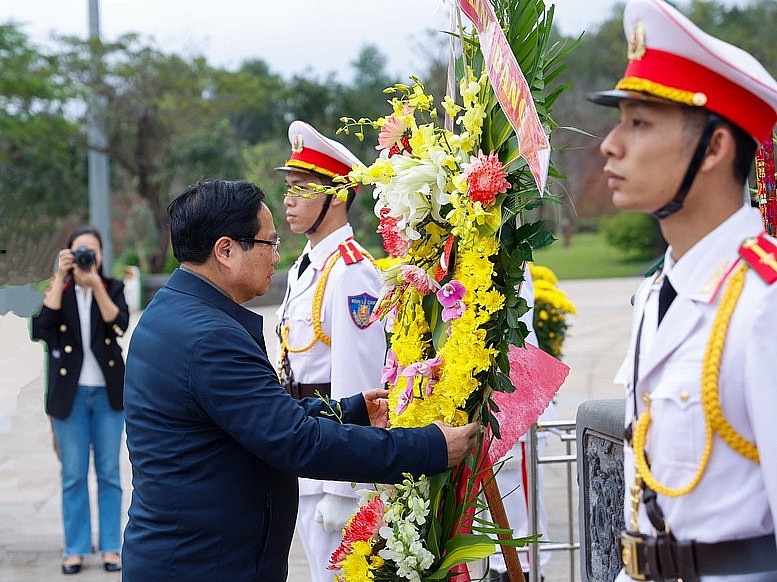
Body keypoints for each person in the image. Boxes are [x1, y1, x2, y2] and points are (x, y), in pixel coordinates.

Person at [121, 178, 478, 581]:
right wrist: (427, 447)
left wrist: (352, 410)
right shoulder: (210, 337)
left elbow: (257, 415)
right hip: (204, 564)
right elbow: (296, 441)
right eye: (268, 244)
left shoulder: (173, 311)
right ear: (225, 250)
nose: (277, 256)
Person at [589, 0, 777, 579]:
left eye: (639, 123)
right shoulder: (659, 292)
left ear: (715, 149)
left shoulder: (764, 302)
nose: (611, 145)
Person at [274, 119, 387, 581]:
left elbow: (359, 384)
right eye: (288, 186)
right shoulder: (306, 266)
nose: (289, 198)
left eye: (303, 187)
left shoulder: (351, 273)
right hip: (305, 449)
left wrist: (344, 489)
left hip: (331, 467)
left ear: (338, 196)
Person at [30, 226, 128, 575]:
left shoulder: (112, 287)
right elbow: (40, 328)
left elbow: (120, 323)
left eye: (93, 251)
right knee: (73, 475)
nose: (87, 257)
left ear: (101, 255)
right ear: (68, 255)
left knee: (110, 474)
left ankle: (111, 548)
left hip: (107, 395)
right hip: (69, 396)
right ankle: (75, 548)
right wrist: (60, 276)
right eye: (80, 252)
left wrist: (96, 285)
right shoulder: (61, 289)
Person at [488, 267, 552, 582]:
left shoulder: (505, 250)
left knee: (518, 508)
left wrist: (512, 415)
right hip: (477, 389)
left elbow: (516, 331)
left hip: (510, 394)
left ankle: (521, 572)